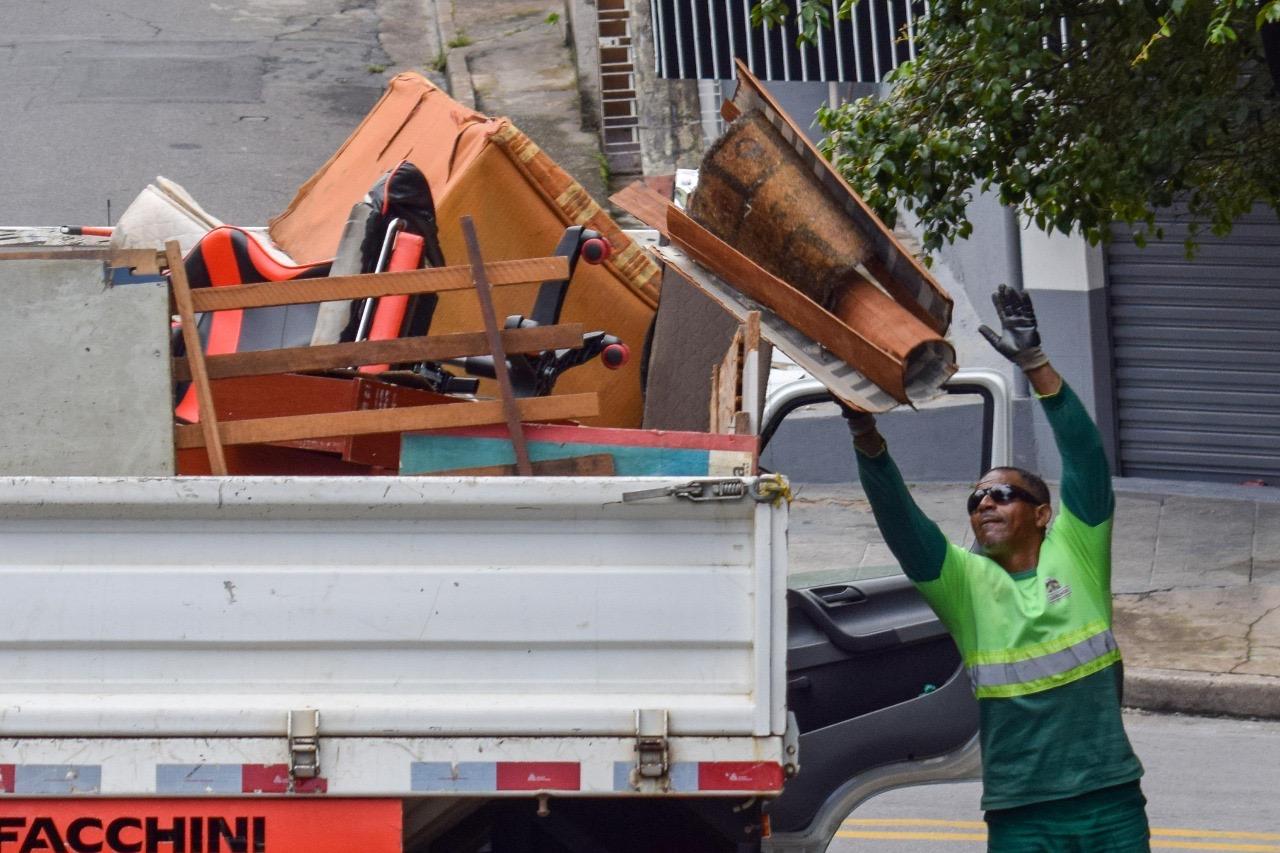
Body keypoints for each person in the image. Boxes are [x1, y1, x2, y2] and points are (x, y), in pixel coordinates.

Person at [841, 285, 1150, 851]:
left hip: (1110, 799)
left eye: (1002, 493)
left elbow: (1085, 457)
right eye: (976, 499)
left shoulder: (1076, 548)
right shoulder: (965, 582)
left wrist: (1036, 366)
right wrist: (865, 436)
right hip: (1020, 813)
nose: (985, 503)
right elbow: (903, 523)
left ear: (1041, 513)